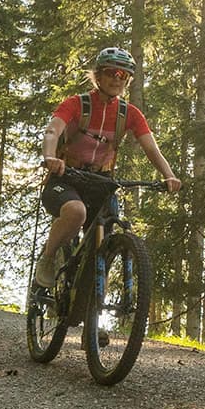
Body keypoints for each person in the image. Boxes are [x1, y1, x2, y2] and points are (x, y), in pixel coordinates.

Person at [32, 46, 182, 289]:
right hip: (66, 177)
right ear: (98, 75)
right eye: (111, 72)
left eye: (123, 75)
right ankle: (48, 258)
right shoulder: (77, 104)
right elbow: (53, 130)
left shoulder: (129, 114)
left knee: (108, 228)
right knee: (76, 212)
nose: (116, 79)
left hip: (100, 181)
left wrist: (169, 176)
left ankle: (89, 289)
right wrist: (50, 157)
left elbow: (152, 149)